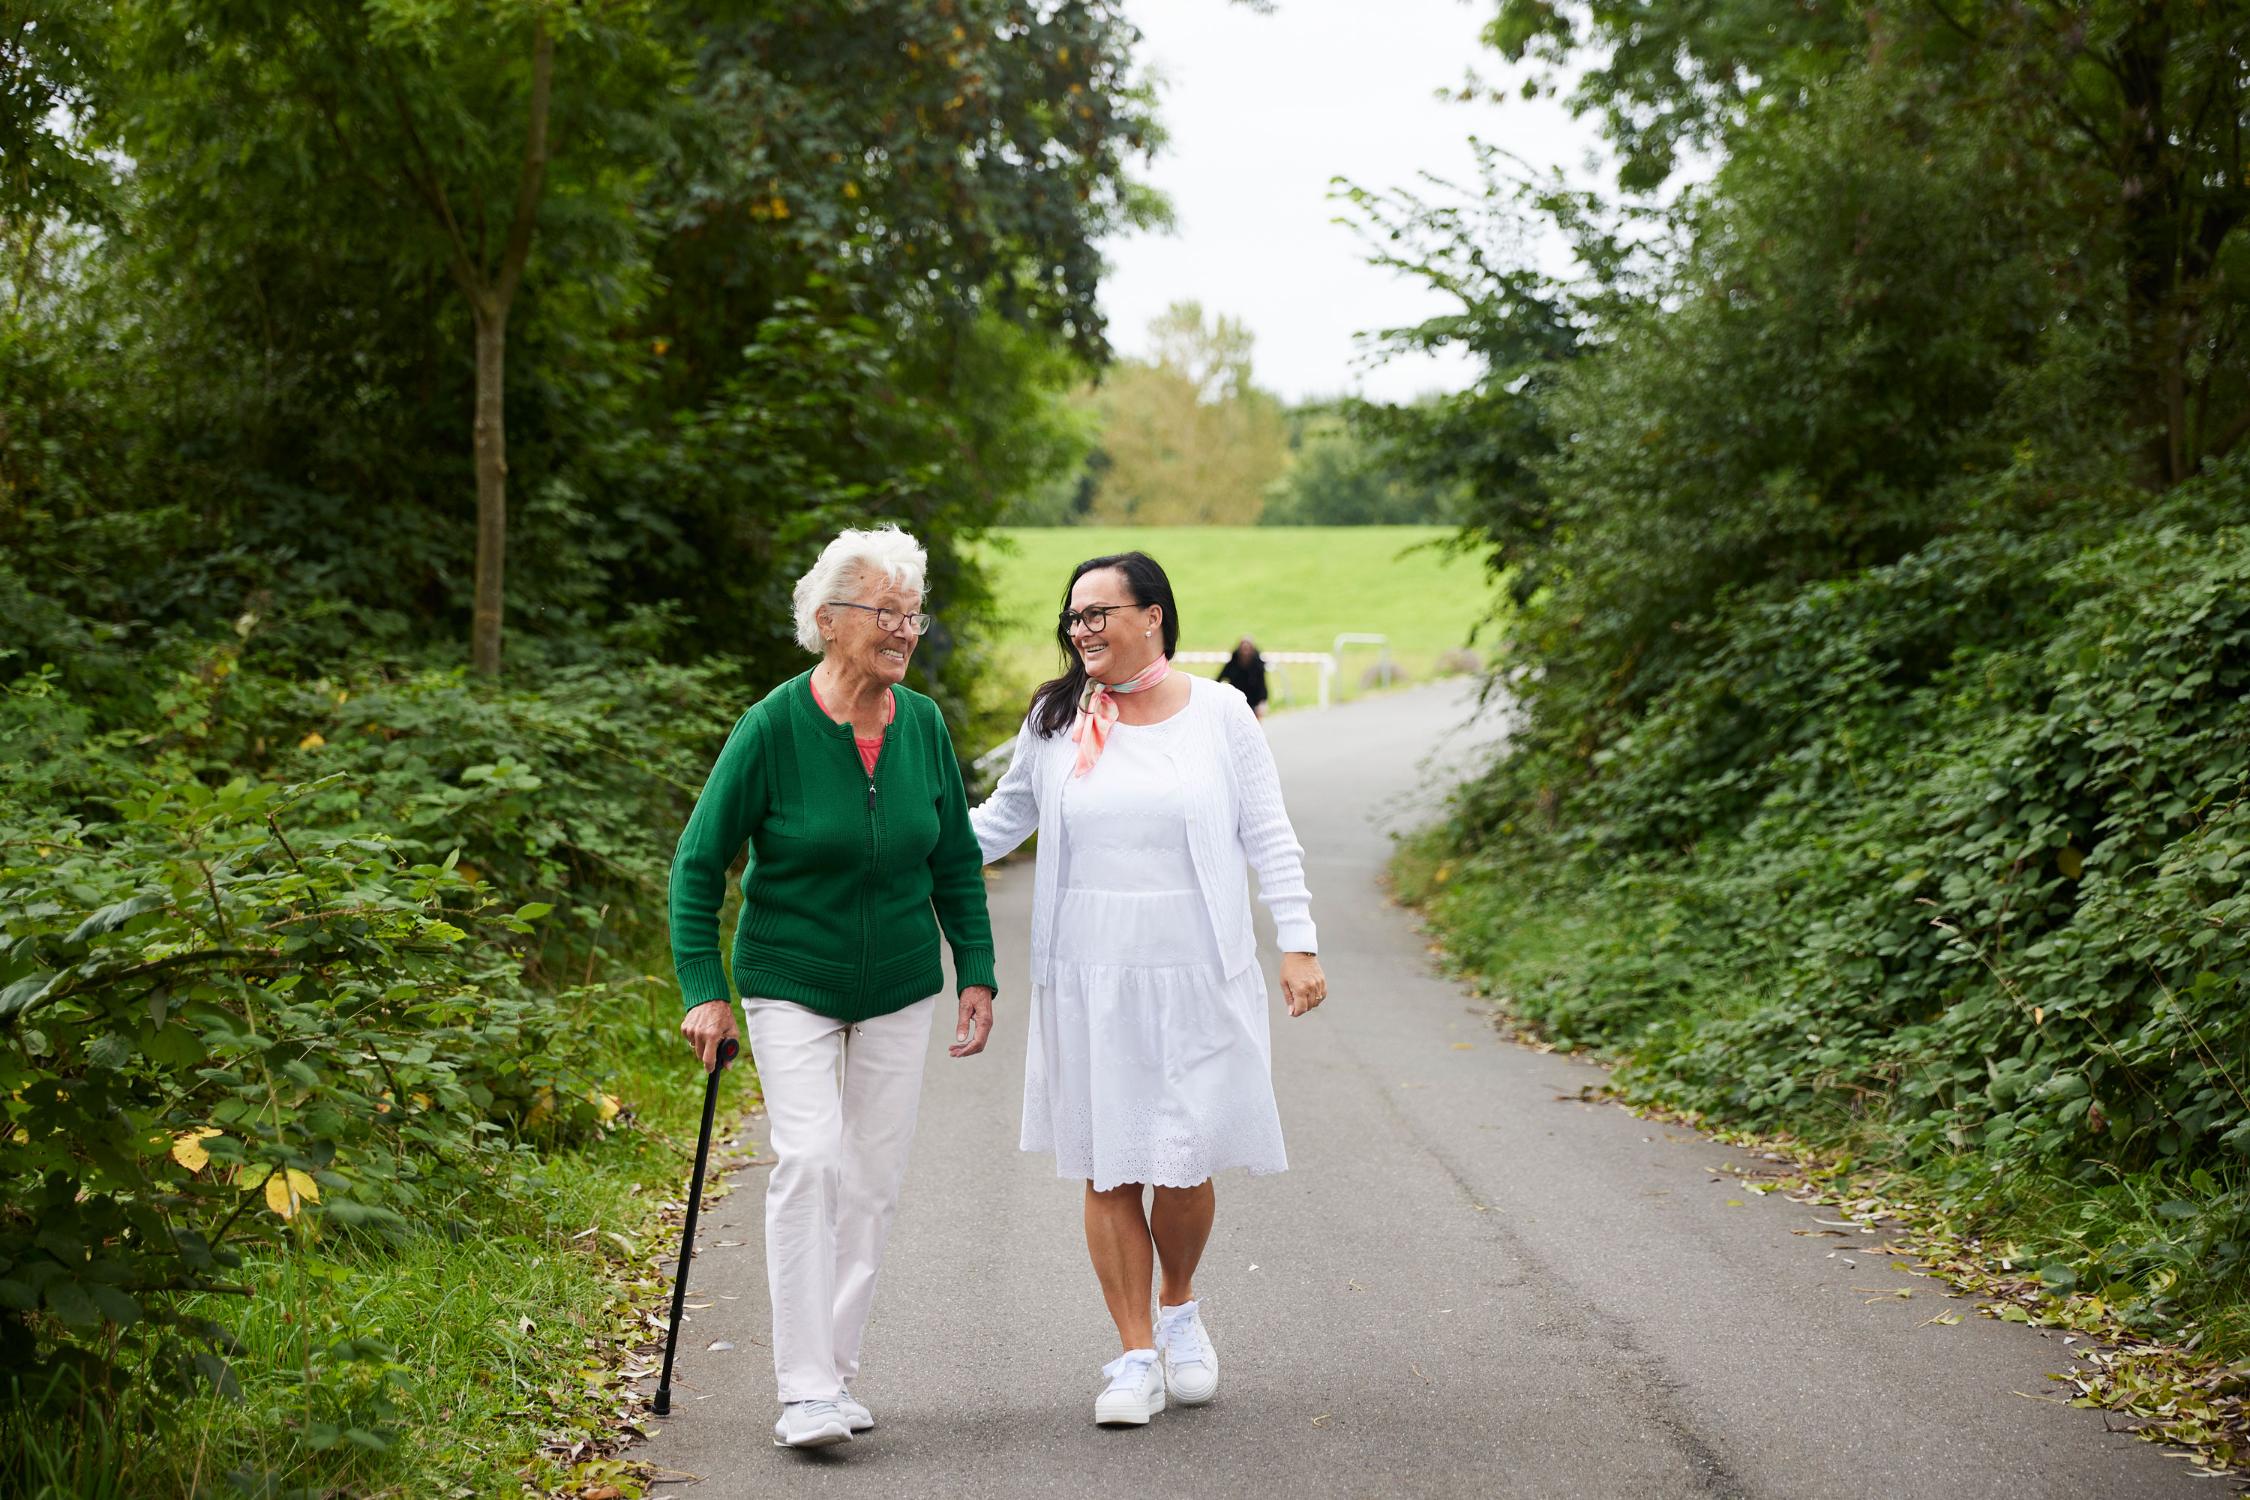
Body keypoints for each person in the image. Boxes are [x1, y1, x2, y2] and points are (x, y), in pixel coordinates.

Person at [971, 551, 1328, 1428]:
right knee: (1106, 1161)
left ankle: (1181, 1308)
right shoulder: (1056, 719)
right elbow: (1000, 819)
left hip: (1198, 970)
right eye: (1074, 618)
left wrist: (1299, 941)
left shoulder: (1221, 714)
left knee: (1183, 1158)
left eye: (1098, 614)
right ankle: (1135, 1355)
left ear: (1153, 616)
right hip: (1089, 971)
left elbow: (1268, 832)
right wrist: (896, 848)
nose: (1082, 630)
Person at [668, 525, 998, 1451]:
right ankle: (803, 1389)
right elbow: (698, 864)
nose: (904, 631)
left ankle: (835, 1374)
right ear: (828, 620)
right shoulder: (773, 726)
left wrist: (976, 967)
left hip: (898, 981)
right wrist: (703, 986)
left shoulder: (923, 725)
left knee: (872, 1183)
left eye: (912, 614)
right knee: (810, 1160)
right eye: (886, 613)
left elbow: (956, 861)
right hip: (791, 976)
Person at [1215, 637, 1269, 718]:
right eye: (1243, 649)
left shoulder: (1257, 665)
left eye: (1247, 649)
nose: (1245, 653)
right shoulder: (1233, 664)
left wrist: (1262, 702)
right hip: (1235, 700)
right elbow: (1219, 678)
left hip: (1253, 701)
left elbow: (1262, 686)